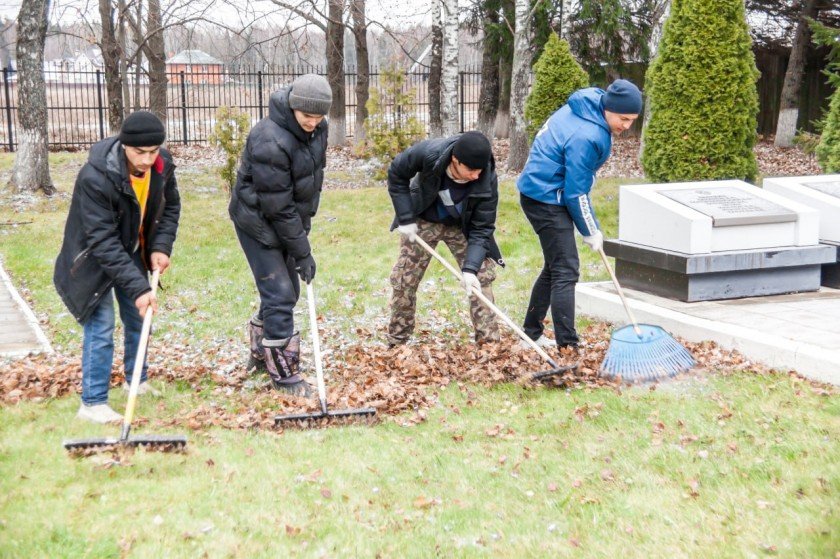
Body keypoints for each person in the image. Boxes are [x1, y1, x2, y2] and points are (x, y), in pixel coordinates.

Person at [54, 111, 181, 424]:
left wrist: (161, 247)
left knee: (140, 320)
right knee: (101, 327)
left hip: (133, 252)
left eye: (153, 151)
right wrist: (138, 288)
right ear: (125, 146)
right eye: (140, 153)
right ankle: (93, 402)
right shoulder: (95, 177)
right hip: (91, 260)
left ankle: (136, 380)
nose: (148, 160)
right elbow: (102, 241)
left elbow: (171, 207)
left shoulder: (162, 166)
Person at [516, 79, 642, 352]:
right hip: (545, 197)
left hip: (541, 188)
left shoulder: (591, 103)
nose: (627, 126)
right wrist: (591, 230)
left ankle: (531, 334)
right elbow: (576, 193)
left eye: (632, 120)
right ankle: (568, 346)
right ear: (609, 108)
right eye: (624, 118)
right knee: (566, 268)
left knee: (555, 266)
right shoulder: (588, 135)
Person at [228, 74, 332, 397]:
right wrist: (302, 251)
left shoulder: (318, 130)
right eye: (307, 117)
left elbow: (308, 184)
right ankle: (284, 375)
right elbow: (278, 205)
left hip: (286, 218)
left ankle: (261, 353)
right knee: (279, 293)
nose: (313, 123)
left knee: (287, 293)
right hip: (257, 220)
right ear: (293, 107)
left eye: (318, 117)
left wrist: (302, 236)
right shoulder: (268, 139)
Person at [387, 131, 504, 347]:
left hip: (463, 226)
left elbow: (482, 227)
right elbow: (396, 173)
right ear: (455, 160)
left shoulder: (487, 178)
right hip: (423, 218)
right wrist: (405, 217)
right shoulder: (430, 153)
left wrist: (470, 269)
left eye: (480, 170)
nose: (476, 176)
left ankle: (489, 345)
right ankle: (397, 342)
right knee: (405, 279)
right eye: (471, 170)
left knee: (481, 278)